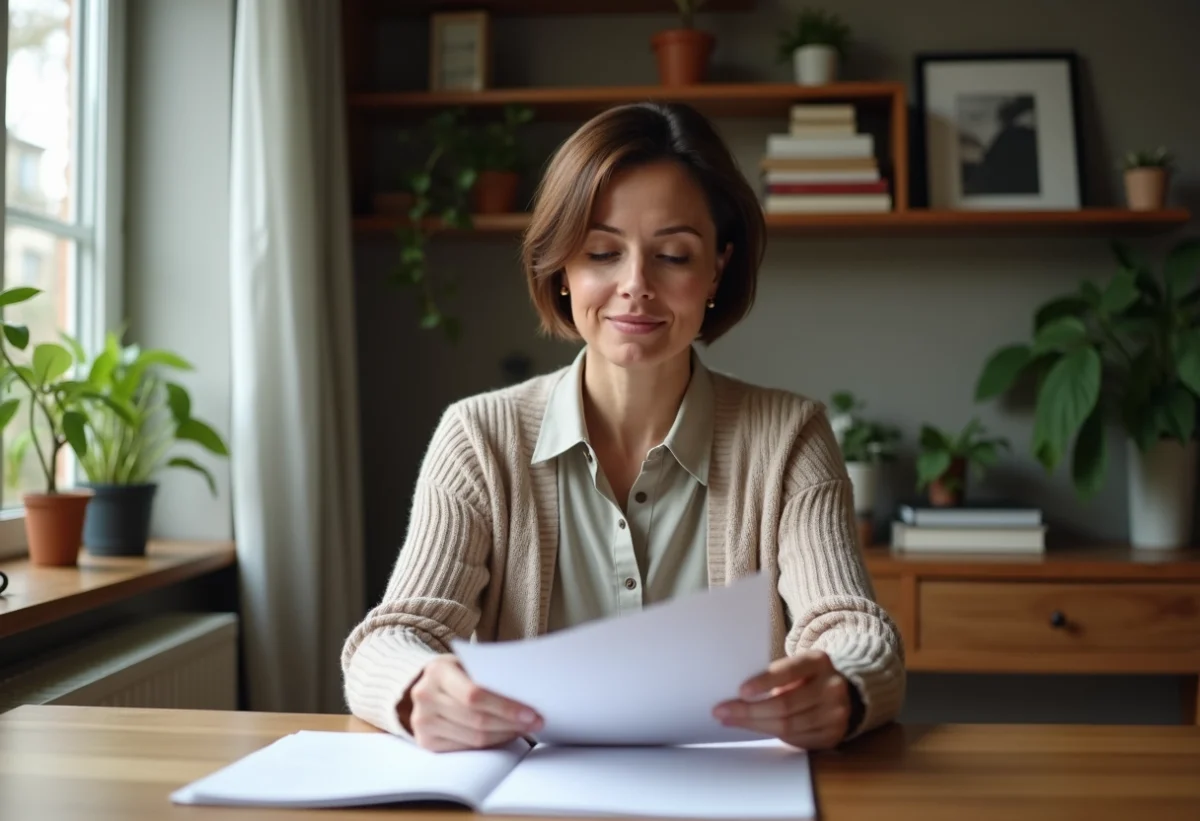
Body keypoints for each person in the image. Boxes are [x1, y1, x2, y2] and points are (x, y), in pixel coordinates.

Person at [341, 101, 905, 754]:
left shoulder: (790, 437)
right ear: (562, 267)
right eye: (602, 251)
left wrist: (844, 684)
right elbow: (392, 634)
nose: (635, 285)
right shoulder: (478, 437)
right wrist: (418, 688)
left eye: (672, 254)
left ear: (717, 268)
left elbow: (853, 628)